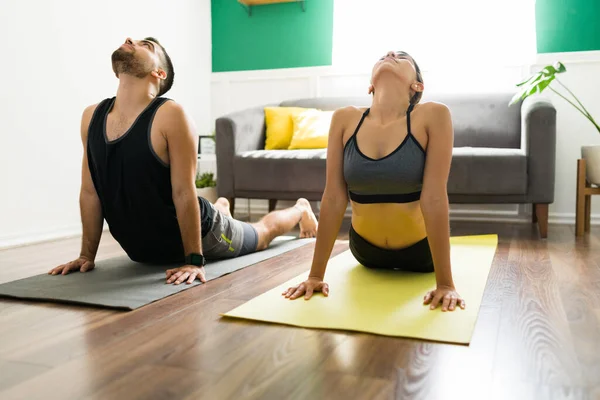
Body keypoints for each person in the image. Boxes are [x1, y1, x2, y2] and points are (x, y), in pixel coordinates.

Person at [49, 37, 318, 285]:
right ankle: (222, 205)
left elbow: (183, 192)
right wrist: (86, 256)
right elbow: (90, 191)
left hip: (206, 234)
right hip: (145, 251)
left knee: (262, 233)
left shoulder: (170, 115)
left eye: (147, 45)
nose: (130, 39)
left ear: (159, 73)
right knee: (225, 212)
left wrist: (193, 260)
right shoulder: (91, 117)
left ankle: (300, 210)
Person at [282, 50, 465, 312]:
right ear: (370, 84)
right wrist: (315, 276)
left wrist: (446, 284)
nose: (390, 54)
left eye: (402, 57)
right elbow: (333, 197)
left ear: (417, 85)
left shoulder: (433, 115)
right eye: (384, 55)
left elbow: (434, 197)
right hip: (365, 252)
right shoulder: (344, 119)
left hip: (421, 255)